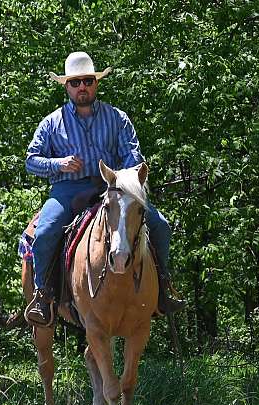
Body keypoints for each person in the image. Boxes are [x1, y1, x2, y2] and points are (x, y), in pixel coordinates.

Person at [24, 51, 184, 327]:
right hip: (67, 190)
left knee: (160, 225)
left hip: (113, 188)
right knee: (47, 230)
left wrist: (122, 177)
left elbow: (133, 157)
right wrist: (59, 164)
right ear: (67, 86)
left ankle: (162, 286)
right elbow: (31, 161)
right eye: (75, 82)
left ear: (96, 83)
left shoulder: (117, 118)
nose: (82, 87)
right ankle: (42, 295)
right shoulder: (52, 122)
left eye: (87, 80)